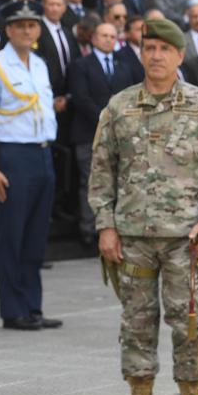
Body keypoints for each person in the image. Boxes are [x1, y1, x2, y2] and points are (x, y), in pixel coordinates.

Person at [89, 16, 198, 395]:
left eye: (164, 50)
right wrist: (106, 225)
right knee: (136, 322)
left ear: (179, 56)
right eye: (149, 48)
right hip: (132, 236)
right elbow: (102, 171)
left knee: (189, 322)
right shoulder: (119, 107)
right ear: (141, 53)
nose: (156, 56)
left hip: (184, 238)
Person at [0, 0, 60, 331]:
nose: (27, 30)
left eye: (32, 25)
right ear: (8, 30)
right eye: (20, 25)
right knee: (12, 235)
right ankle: (13, 309)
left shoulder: (39, 65)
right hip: (13, 156)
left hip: (42, 153)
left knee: (36, 236)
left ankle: (32, 305)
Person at [69, 21, 136, 246]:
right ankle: (89, 230)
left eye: (112, 36)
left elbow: (130, 96)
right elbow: (81, 98)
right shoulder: (80, 65)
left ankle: (116, 230)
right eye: (104, 35)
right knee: (91, 182)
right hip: (89, 134)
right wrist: (105, 118)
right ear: (94, 38)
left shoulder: (124, 65)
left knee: (117, 182)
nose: (108, 40)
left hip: (119, 136)